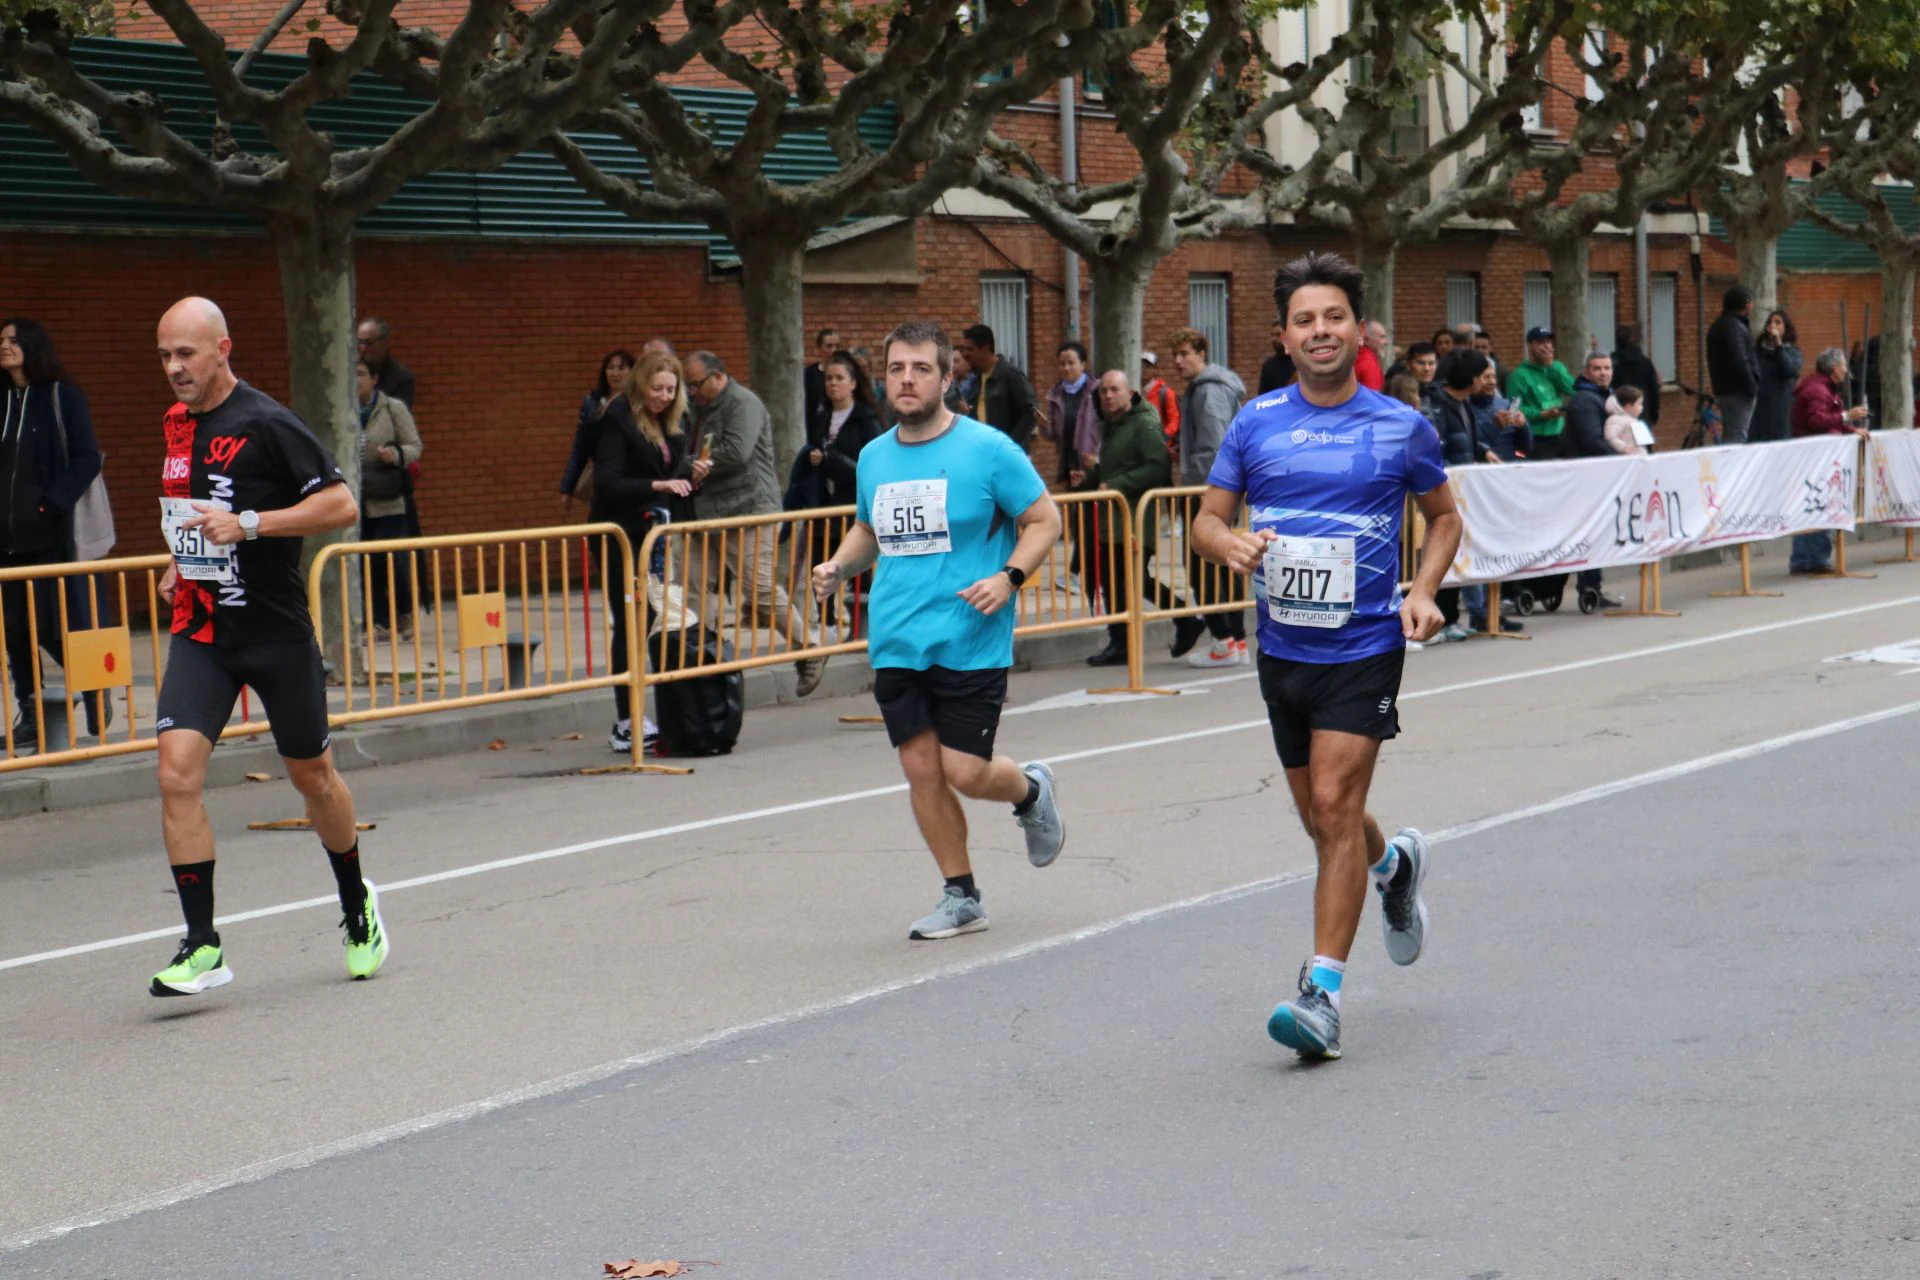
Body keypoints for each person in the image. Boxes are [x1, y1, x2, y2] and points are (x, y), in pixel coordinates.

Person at [1191, 252, 1460, 1061]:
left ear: (1358, 328)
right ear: (1284, 334)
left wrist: (1422, 589)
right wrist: (1230, 544)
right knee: (1323, 821)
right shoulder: (1255, 421)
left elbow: (1444, 518)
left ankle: (1322, 995)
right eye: (1305, 320)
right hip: (1284, 647)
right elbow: (1205, 521)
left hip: (1367, 643)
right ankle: (1393, 867)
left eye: (1334, 317)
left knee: (1336, 804)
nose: (1320, 331)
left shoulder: (1400, 425)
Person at [148, 296, 384, 997]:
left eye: (186, 353)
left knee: (313, 778)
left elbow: (340, 505)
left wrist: (249, 523)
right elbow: (197, 514)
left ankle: (356, 904)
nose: (174, 368)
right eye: (164, 355)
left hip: (276, 635)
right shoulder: (177, 427)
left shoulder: (268, 421)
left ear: (223, 348)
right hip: (204, 632)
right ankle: (202, 945)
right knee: (175, 773)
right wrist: (181, 558)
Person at [811, 319, 1066, 941]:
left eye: (921, 368)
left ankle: (1030, 791)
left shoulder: (989, 449)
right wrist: (840, 565)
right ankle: (962, 895)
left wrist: (1008, 578)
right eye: (897, 368)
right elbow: (871, 529)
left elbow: (1043, 520)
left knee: (967, 772)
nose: (906, 379)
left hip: (969, 634)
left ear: (947, 376)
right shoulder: (873, 456)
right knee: (921, 770)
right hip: (897, 635)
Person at [682, 351, 828, 697]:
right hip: (708, 511)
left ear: (718, 376)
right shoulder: (698, 408)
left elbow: (736, 451)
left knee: (758, 588)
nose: (692, 392)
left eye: (696, 384)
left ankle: (808, 648)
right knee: (694, 587)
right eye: (687, 385)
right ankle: (703, 660)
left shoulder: (741, 403)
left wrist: (687, 464)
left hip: (749, 508)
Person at [1, 318, 107, 752]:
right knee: (17, 633)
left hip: (52, 538)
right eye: (0, 342)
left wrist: (50, 503)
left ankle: (95, 690)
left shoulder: (62, 396)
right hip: (7, 543)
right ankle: (30, 713)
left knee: (57, 628)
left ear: (31, 345)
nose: (4, 347)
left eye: (11, 340)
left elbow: (87, 457)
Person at [592, 349, 696, 751]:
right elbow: (608, 482)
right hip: (622, 534)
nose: (664, 396)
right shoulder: (617, 419)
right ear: (641, 385)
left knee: (651, 620)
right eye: (657, 388)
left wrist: (689, 473)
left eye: (671, 390)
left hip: (656, 535)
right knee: (628, 622)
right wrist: (659, 486)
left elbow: (670, 473)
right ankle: (625, 719)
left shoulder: (671, 421)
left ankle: (649, 711)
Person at [1071, 370, 1173, 667]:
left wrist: (1115, 486)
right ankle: (1121, 642)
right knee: (1119, 584)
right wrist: (1088, 479)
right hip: (1113, 522)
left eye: (1115, 390)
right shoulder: (1115, 425)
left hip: (1134, 520)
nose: (1108, 396)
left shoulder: (1144, 423)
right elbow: (1112, 468)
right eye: (1104, 391)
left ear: (1130, 392)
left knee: (1130, 583)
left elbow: (1157, 466)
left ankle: (1184, 621)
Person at [1168, 326, 1249, 666]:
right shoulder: (1209, 387)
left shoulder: (1208, 391)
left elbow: (1215, 444)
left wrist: (1204, 487)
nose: (1178, 361)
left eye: (1185, 354)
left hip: (1208, 491)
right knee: (1223, 560)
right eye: (1176, 355)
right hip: (1217, 488)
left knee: (1203, 562)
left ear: (1202, 355)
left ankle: (1224, 639)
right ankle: (1236, 640)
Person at [798, 351, 886, 630]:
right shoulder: (822, 418)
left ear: (853, 384)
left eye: (839, 378)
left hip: (853, 506)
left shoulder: (866, 419)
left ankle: (861, 624)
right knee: (822, 563)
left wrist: (831, 460)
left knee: (857, 567)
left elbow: (870, 465)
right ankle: (825, 623)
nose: (833, 384)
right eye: (828, 379)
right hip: (823, 504)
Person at [355, 357, 424, 641]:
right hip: (356, 499)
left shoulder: (391, 408)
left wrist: (394, 455)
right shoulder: (343, 411)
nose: (355, 380)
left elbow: (415, 446)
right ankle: (379, 620)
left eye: (360, 374)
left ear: (374, 380)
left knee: (389, 560)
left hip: (387, 499)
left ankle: (404, 610)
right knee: (363, 562)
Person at [1789, 347, 1871, 574]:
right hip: (1816, 457)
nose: (1846, 370)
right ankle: (1812, 558)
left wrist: (1850, 429)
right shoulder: (1818, 390)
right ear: (1835, 368)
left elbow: (1828, 421)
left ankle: (1806, 558)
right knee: (1819, 504)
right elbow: (1817, 421)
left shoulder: (1822, 388)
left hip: (1818, 455)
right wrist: (1847, 417)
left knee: (1812, 505)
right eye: (1844, 366)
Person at [1562, 352, 1624, 608]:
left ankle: (1593, 586)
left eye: (1607, 368)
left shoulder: (1606, 397)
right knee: (1590, 533)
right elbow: (1592, 440)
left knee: (1597, 532)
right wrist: (1622, 456)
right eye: (1597, 369)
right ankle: (1588, 586)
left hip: (1598, 475)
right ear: (1587, 372)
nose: (1603, 373)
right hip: (1586, 476)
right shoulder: (1586, 400)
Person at [560, 350, 636, 513]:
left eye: (621, 368)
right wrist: (568, 487)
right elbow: (580, 447)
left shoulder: (639, 403)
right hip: (602, 477)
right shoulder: (592, 403)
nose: (615, 373)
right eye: (611, 368)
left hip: (631, 478)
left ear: (632, 372)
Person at [953, 324, 1036, 449]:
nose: (965, 354)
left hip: (1006, 455)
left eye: (970, 349)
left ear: (985, 348)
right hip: (984, 452)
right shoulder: (975, 379)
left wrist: (1010, 445)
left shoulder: (1010, 375)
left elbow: (1031, 412)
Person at [1506, 327, 1574, 459]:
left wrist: (1551, 366)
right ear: (1530, 346)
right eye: (1541, 342)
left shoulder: (1557, 367)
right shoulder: (1519, 375)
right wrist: (1542, 414)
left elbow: (1572, 389)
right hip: (1535, 437)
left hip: (1559, 432)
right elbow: (1513, 410)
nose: (1547, 346)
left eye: (1549, 342)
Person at [1041, 340, 1102, 487]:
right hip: (1069, 463)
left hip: (1092, 463)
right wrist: (1043, 425)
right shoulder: (1055, 394)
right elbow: (1053, 435)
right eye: (1062, 364)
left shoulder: (1097, 390)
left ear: (1083, 364)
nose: (1066, 368)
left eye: (1071, 363)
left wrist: (1097, 454)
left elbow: (1107, 426)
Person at [1707, 285, 1760, 444]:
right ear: (1746, 304)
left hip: (1724, 389)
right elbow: (1740, 360)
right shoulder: (1735, 328)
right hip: (1738, 392)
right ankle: (1733, 468)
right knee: (1737, 435)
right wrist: (1751, 387)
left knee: (1733, 432)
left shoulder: (1718, 325)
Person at [1751, 309, 1803, 444]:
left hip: (1781, 409)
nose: (1772, 325)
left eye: (1778, 322)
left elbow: (1790, 370)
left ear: (1786, 328)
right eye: (1770, 322)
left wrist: (1778, 346)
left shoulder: (1792, 351)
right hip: (1759, 409)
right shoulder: (1757, 350)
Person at [1609, 324, 1663, 435]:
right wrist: (1654, 414)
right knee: (1642, 448)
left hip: (1619, 415)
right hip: (1641, 413)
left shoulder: (1612, 363)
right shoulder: (1645, 362)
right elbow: (1654, 390)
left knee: (1621, 448)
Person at [355, 317, 414, 409]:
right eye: (359, 342)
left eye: (368, 343)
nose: (362, 348)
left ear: (385, 343)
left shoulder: (401, 377)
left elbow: (399, 418)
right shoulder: (347, 373)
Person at [1141, 351, 1181, 458]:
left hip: (1159, 451)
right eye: (1141, 366)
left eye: (1148, 366)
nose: (1144, 369)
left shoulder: (1165, 393)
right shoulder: (1132, 392)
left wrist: (1161, 438)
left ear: (1155, 369)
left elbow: (1174, 421)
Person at [803, 327, 839, 431]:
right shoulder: (809, 374)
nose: (834, 350)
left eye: (837, 346)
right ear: (819, 348)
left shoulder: (845, 373)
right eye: (829, 346)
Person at [1605, 385, 1652, 456]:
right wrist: (1624, 447)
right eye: (1639, 404)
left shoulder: (1633, 420)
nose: (1642, 407)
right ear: (1628, 407)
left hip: (1638, 456)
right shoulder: (1616, 420)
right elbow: (1610, 437)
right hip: (1628, 458)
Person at [1258, 319, 1297, 394]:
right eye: (1272, 335)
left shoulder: (1300, 361)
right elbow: (1262, 396)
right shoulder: (1268, 366)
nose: (1274, 339)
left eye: (1277, 335)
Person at [1354, 319, 1389, 391]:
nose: (1386, 342)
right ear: (1366, 340)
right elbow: (1372, 399)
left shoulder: (1355, 357)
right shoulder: (1369, 364)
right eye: (1382, 337)